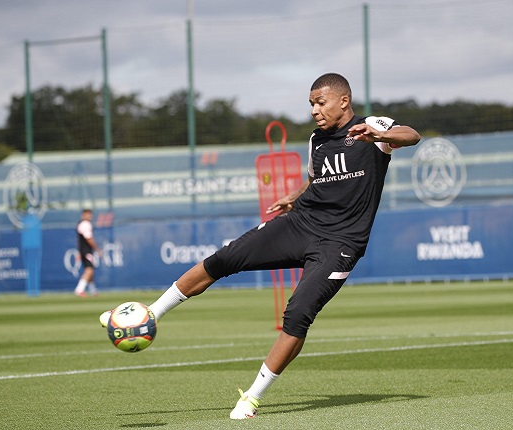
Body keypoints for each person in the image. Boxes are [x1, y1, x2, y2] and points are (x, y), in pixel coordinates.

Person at [103, 73, 421, 419]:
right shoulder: (316, 139)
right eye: (311, 104)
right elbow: (318, 178)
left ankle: (252, 397)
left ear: (343, 100)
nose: (315, 110)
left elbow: (412, 135)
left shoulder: (371, 126)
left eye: (320, 102)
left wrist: (381, 135)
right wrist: (294, 196)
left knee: (299, 312)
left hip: (341, 242)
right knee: (225, 258)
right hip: (301, 223)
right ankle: (151, 314)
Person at [74, 209, 102, 297]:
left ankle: (93, 290)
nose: (90, 216)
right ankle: (79, 289)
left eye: (90, 215)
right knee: (89, 269)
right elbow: (89, 238)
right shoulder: (85, 224)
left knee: (90, 270)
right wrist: (97, 249)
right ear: (83, 215)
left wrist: (79, 252)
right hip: (86, 251)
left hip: (84, 250)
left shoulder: (81, 224)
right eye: (87, 215)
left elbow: (79, 241)